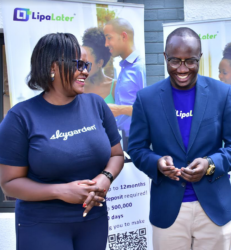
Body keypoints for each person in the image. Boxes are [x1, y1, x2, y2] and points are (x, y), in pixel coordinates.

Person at [0, 33, 124, 250]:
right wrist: (60, 191)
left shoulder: (96, 104)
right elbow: (9, 184)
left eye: (86, 64)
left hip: (93, 221)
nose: (85, 71)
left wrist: (105, 178)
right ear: (54, 67)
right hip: (42, 225)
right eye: (78, 64)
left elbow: (116, 155)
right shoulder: (21, 117)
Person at [128, 27, 231, 250]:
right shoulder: (146, 99)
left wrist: (210, 165)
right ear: (165, 57)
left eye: (190, 61)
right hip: (168, 210)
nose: (182, 69)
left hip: (213, 209)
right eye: (174, 61)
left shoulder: (222, 94)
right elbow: (136, 148)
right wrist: (157, 163)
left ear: (200, 57)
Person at [104, 18, 146, 152]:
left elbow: (150, 109)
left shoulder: (140, 68)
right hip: (124, 139)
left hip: (138, 140)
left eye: (109, 38)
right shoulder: (124, 67)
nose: (106, 44)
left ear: (123, 36)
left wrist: (119, 109)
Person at [82, 27, 115, 104]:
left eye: (86, 63)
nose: (81, 67)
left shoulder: (115, 87)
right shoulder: (76, 86)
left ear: (99, 63)